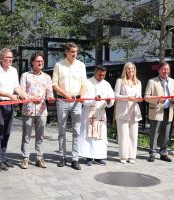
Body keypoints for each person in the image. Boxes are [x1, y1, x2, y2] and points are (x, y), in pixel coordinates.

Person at [0, 48, 28, 171]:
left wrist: (24, 95)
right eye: (8, 57)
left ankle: (3, 157)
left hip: (10, 104)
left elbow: (16, 86)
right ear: (1, 59)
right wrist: (9, 95)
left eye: (12, 58)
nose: (10, 60)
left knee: (7, 132)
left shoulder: (14, 70)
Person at [52, 42, 87, 170]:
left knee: (77, 131)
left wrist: (82, 95)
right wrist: (66, 95)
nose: (75, 54)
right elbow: (54, 84)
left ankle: (75, 158)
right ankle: (62, 156)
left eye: (76, 52)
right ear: (66, 52)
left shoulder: (81, 65)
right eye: (72, 52)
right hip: (62, 101)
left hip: (77, 101)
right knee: (62, 129)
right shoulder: (59, 65)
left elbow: (84, 84)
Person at [19, 52, 54, 169]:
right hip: (27, 110)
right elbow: (22, 92)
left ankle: (39, 157)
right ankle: (25, 158)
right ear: (32, 62)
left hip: (42, 111)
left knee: (40, 136)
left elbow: (50, 94)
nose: (40, 63)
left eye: (42, 61)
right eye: (38, 61)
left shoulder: (47, 77)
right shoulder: (25, 76)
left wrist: (50, 98)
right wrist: (30, 99)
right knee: (26, 135)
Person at [79, 65, 115, 166]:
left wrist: (109, 101)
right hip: (89, 111)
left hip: (101, 113)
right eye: (100, 75)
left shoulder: (106, 84)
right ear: (95, 72)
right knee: (90, 135)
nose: (102, 77)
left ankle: (99, 157)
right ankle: (89, 157)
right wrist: (94, 99)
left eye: (104, 75)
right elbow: (83, 98)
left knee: (100, 136)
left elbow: (112, 97)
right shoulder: (86, 82)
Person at [144, 61, 174, 162]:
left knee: (166, 134)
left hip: (169, 110)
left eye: (167, 69)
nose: (165, 71)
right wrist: (157, 100)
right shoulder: (152, 81)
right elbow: (146, 97)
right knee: (154, 133)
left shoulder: (173, 82)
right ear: (159, 70)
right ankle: (152, 154)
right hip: (156, 110)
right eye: (163, 69)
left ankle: (163, 153)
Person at [114, 62, 142, 164]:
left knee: (133, 135)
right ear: (125, 70)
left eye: (132, 68)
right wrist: (127, 97)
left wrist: (139, 99)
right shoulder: (120, 81)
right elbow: (116, 95)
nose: (131, 70)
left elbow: (139, 96)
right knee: (123, 135)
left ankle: (132, 156)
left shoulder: (138, 82)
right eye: (128, 69)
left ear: (135, 70)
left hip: (134, 110)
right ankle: (123, 156)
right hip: (122, 111)